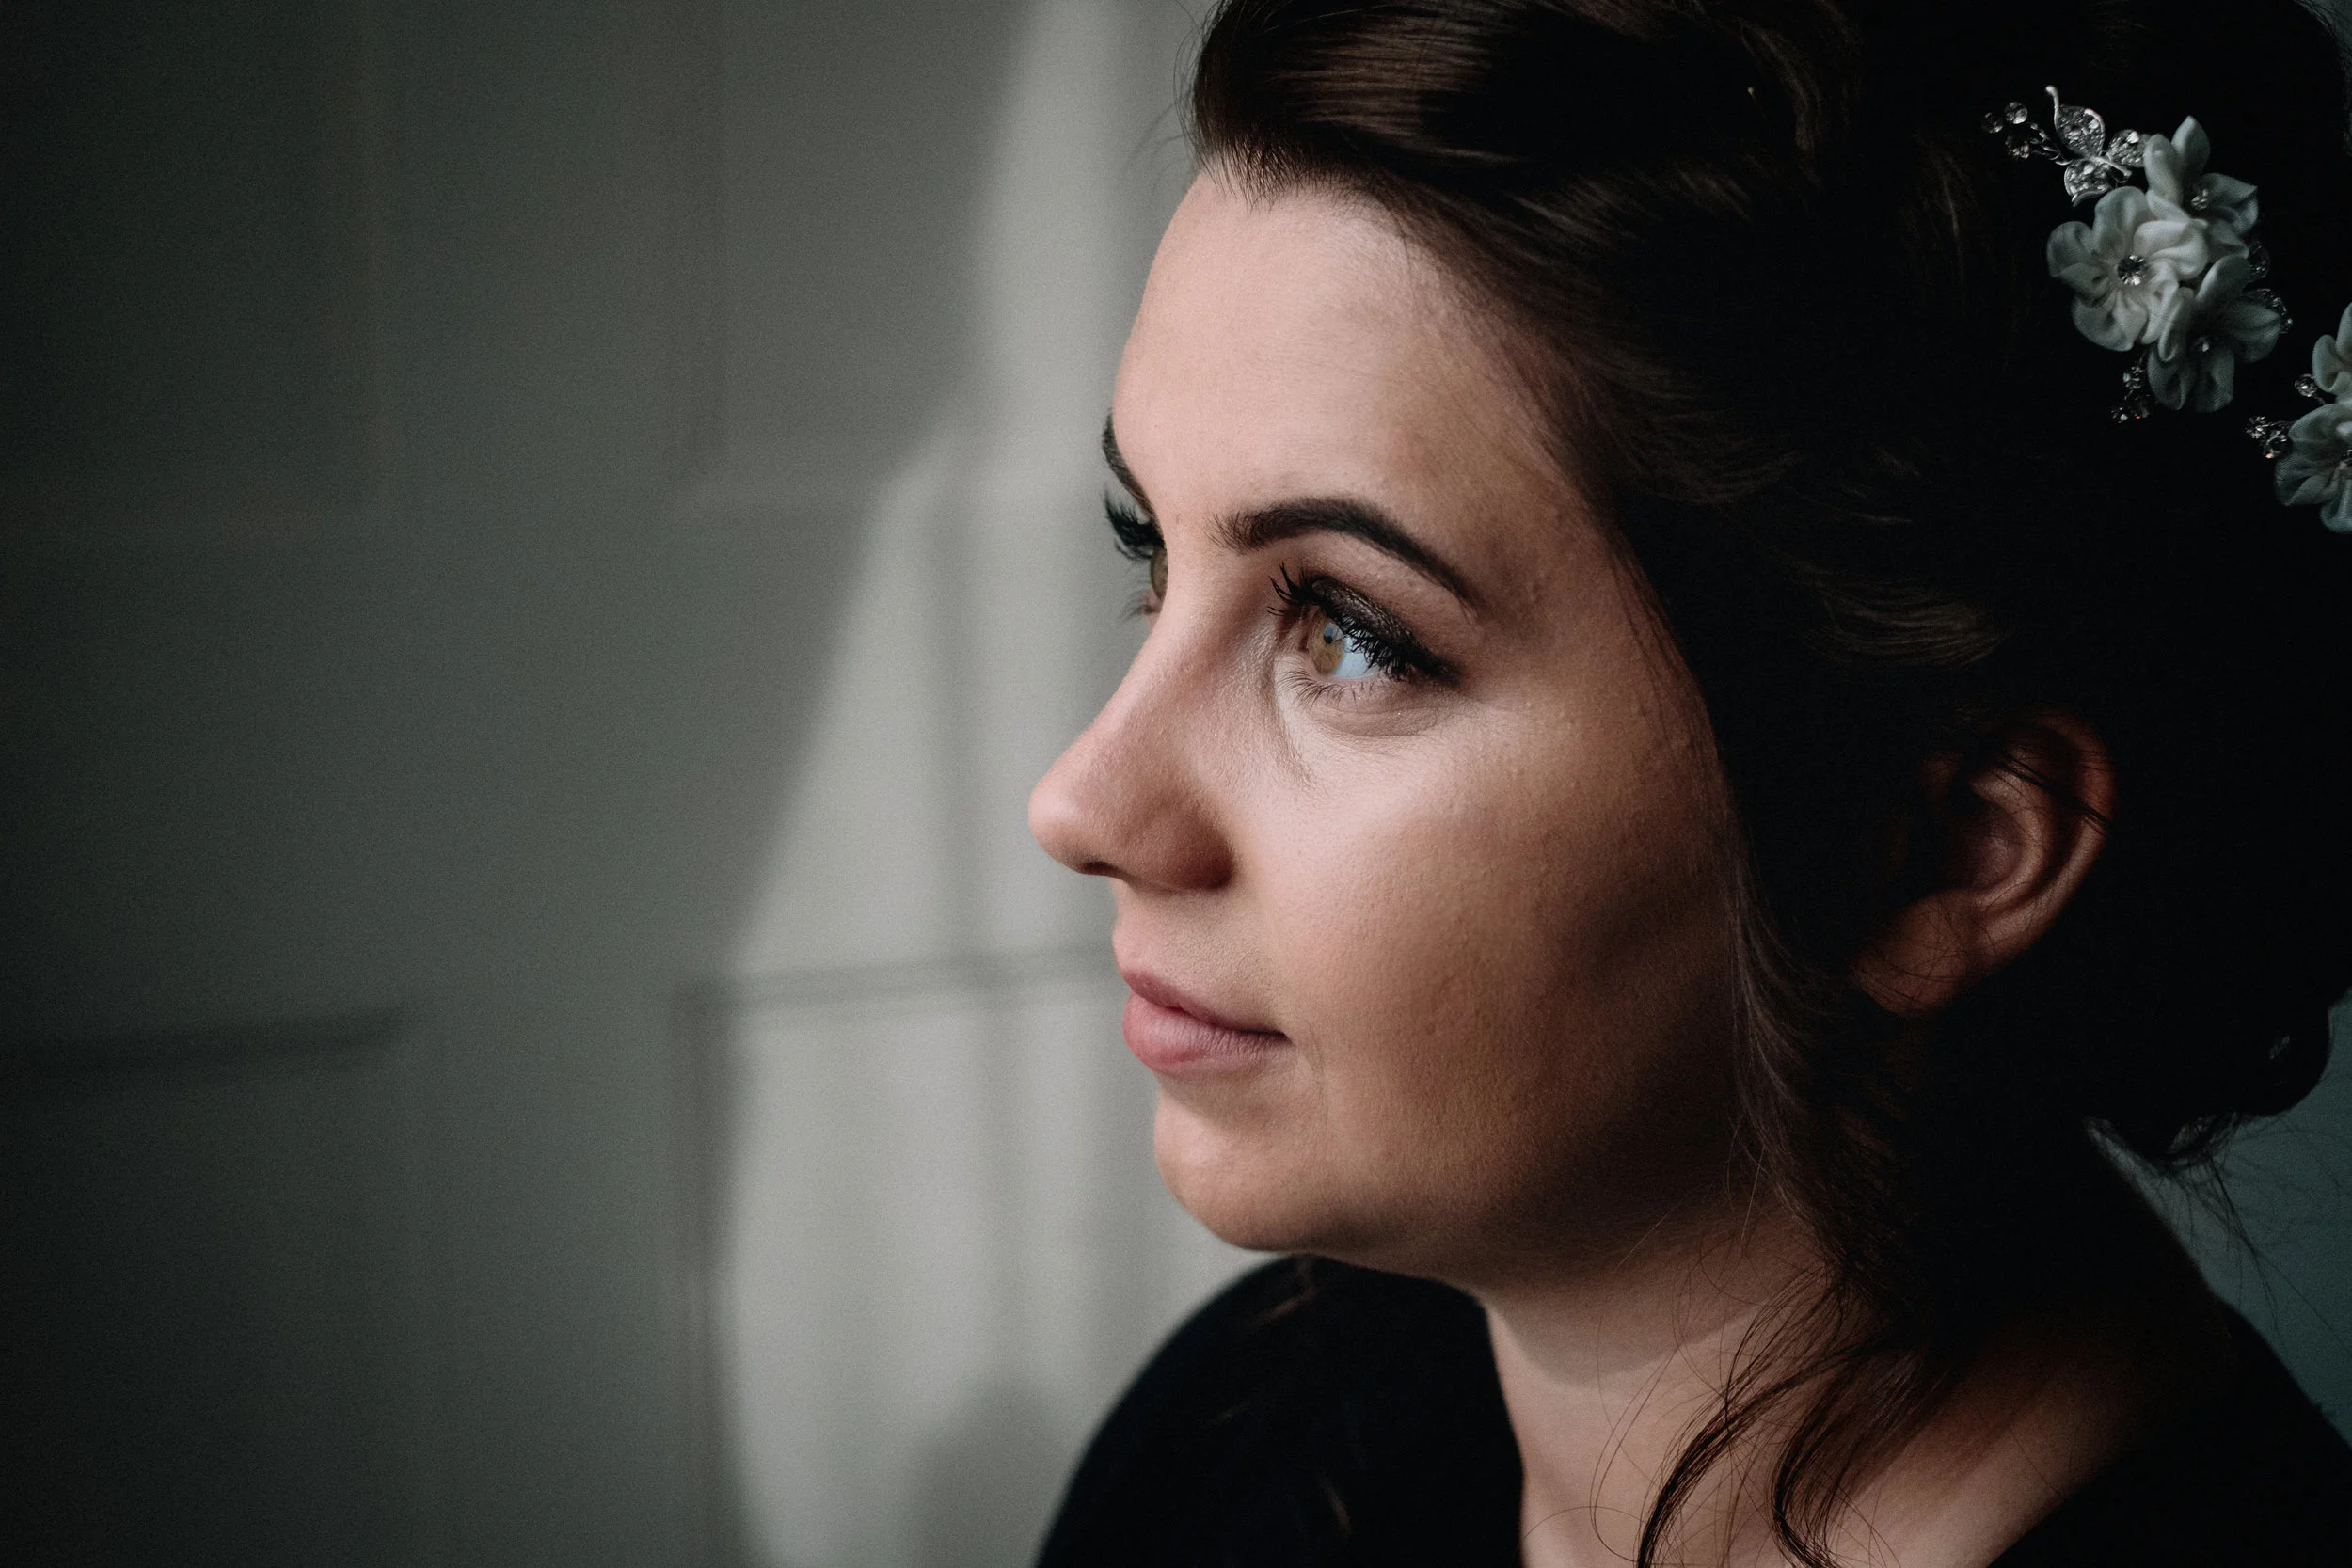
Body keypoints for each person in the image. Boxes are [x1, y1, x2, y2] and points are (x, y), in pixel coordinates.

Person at [1024, 1, 2352, 1562]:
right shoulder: (1249, 1428)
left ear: (1938, 848)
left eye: (1353, 633)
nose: (1083, 805)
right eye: (1151, 556)